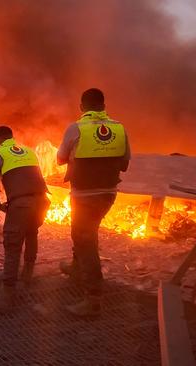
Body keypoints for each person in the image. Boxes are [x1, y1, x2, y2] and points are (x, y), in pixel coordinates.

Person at [57, 88, 131, 317]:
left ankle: (93, 299)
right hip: (108, 194)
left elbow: (60, 159)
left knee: (85, 239)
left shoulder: (76, 128)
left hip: (84, 195)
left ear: (82, 107)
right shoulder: (119, 128)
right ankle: (77, 268)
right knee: (83, 233)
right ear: (103, 105)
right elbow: (125, 163)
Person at [0, 126, 50, 311]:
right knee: (31, 232)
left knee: (12, 244)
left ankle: (7, 296)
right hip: (42, 200)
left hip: (21, 203)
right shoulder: (29, 151)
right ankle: (27, 276)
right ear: (12, 137)